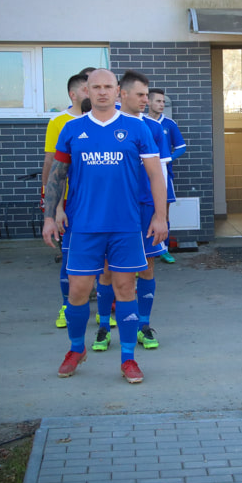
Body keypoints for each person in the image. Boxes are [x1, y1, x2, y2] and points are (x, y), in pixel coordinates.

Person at [42, 69, 168, 383]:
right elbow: (57, 177)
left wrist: (160, 216)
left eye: (107, 87)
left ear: (117, 92)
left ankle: (128, 359)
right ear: (87, 91)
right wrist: (49, 215)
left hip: (125, 225)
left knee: (126, 289)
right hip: (84, 226)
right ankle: (75, 349)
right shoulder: (71, 129)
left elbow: (155, 175)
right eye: (95, 87)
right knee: (78, 291)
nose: (101, 92)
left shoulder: (137, 129)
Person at [90, 71, 171, 353]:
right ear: (121, 94)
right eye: (140, 95)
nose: (145, 101)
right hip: (113, 209)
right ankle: (103, 326)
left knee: (146, 267)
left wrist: (161, 215)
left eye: (147, 95)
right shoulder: (100, 126)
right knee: (108, 269)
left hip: (145, 207)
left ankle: (143, 325)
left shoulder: (153, 128)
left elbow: (160, 173)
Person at [42, 73, 90, 328]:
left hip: (97, 204)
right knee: (70, 258)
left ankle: (106, 308)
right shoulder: (59, 123)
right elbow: (52, 166)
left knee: (103, 264)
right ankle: (66, 307)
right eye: (88, 88)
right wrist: (54, 207)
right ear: (74, 94)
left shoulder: (106, 120)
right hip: (69, 203)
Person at [147, 88, 186, 264]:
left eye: (163, 101)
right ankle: (145, 251)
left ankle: (164, 249)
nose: (162, 104)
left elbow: (181, 147)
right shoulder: (140, 122)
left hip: (164, 176)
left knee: (164, 213)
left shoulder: (169, 124)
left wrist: (167, 160)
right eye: (158, 101)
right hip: (143, 176)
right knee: (144, 213)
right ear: (148, 102)